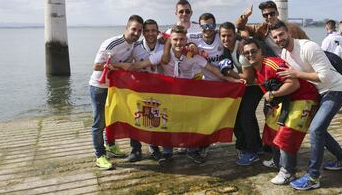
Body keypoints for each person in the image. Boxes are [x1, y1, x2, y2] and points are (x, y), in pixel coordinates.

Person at [130, 25, 244, 166]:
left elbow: (213, 69)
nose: (178, 43)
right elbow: (139, 65)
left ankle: (192, 150)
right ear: (170, 40)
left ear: (186, 40)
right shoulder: (163, 55)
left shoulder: (193, 56)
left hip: (188, 94)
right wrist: (115, 67)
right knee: (168, 122)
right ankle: (167, 153)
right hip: (169, 94)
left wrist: (233, 80)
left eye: (182, 39)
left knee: (191, 121)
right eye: (175, 40)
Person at [270, 21, 342, 190]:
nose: (279, 39)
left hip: (335, 90)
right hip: (318, 93)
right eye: (275, 37)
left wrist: (296, 73)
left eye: (281, 34)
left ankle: (313, 176)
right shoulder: (285, 54)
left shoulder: (309, 48)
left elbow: (325, 77)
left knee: (316, 129)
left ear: (288, 33)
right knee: (319, 129)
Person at [242, 38, 319, 185]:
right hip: (286, 100)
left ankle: (287, 171)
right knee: (271, 128)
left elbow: (294, 84)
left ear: (261, 52)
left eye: (253, 51)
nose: (250, 55)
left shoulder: (272, 64)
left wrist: (272, 95)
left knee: (286, 134)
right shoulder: (257, 70)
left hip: (304, 97)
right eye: (247, 53)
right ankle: (277, 161)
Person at [89, 15, 145, 169]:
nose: (136, 33)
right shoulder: (112, 43)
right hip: (99, 87)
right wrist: (121, 66)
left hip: (116, 88)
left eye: (139, 30)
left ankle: (110, 145)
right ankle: (100, 155)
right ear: (126, 28)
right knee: (99, 122)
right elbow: (97, 66)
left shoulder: (134, 44)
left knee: (112, 117)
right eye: (133, 29)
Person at [218, 22, 264, 165]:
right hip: (246, 86)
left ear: (235, 35)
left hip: (257, 84)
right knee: (241, 116)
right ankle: (257, 145)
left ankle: (252, 151)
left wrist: (230, 72)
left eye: (229, 36)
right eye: (223, 36)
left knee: (245, 116)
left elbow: (249, 78)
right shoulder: (226, 48)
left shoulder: (241, 51)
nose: (226, 39)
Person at [132, 19, 165, 161]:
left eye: (153, 30)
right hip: (139, 87)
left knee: (154, 117)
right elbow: (126, 64)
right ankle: (135, 149)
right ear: (143, 33)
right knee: (135, 117)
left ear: (158, 32)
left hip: (159, 87)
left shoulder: (165, 45)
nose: (150, 33)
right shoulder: (135, 46)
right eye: (147, 31)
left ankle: (154, 147)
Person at [236, 1, 309, 56]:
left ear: (277, 13)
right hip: (275, 63)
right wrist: (245, 16)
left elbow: (308, 43)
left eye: (272, 14)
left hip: (295, 60)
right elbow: (241, 27)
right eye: (265, 15)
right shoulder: (261, 29)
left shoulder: (293, 28)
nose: (269, 17)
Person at [322, 20, 342, 113]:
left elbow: (322, 53)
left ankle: (331, 104)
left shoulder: (327, 39)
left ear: (326, 28)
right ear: (335, 27)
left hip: (332, 66)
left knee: (330, 85)